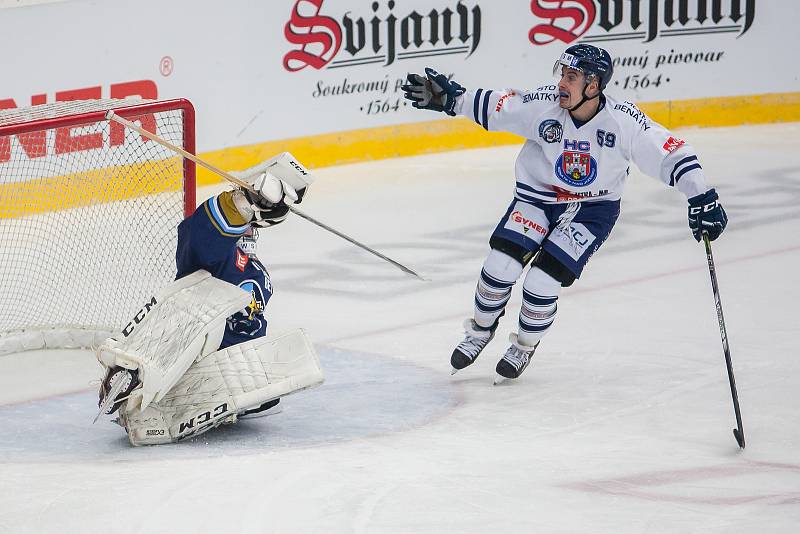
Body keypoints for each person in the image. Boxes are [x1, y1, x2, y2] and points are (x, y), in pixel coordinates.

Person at [401, 44, 728, 383]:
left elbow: (670, 153)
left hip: (593, 210)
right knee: (498, 268)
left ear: (593, 85)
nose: (561, 83)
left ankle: (524, 347)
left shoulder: (623, 121)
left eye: (571, 77)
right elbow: (500, 108)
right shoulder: (545, 105)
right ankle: (480, 331)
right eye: (562, 74)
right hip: (538, 199)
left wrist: (701, 195)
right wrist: (452, 100)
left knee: (542, 284)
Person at [96, 153, 325, 445]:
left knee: (295, 357)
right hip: (194, 366)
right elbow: (198, 235)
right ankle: (145, 378)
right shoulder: (213, 260)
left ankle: (235, 393)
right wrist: (242, 204)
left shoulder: (250, 265)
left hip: (239, 373)